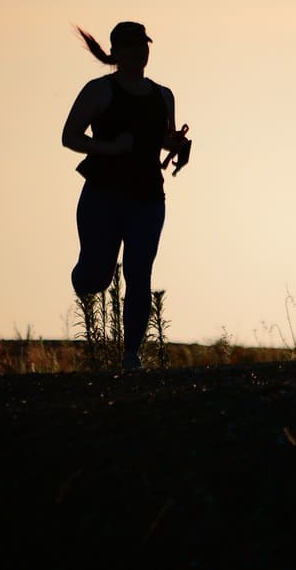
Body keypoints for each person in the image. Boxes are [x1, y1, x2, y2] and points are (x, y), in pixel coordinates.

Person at [62, 21, 189, 371]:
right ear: (116, 52)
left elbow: (163, 138)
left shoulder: (163, 95)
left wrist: (178, 145)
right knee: (96, 278)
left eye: (144, 44)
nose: (140, 51)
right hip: (102, 196)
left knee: (139, 272)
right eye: (132, 45)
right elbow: (69, 137)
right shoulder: (98, 91)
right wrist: (110, 147)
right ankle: (83, 276)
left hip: (148, 197)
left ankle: (131, 355)